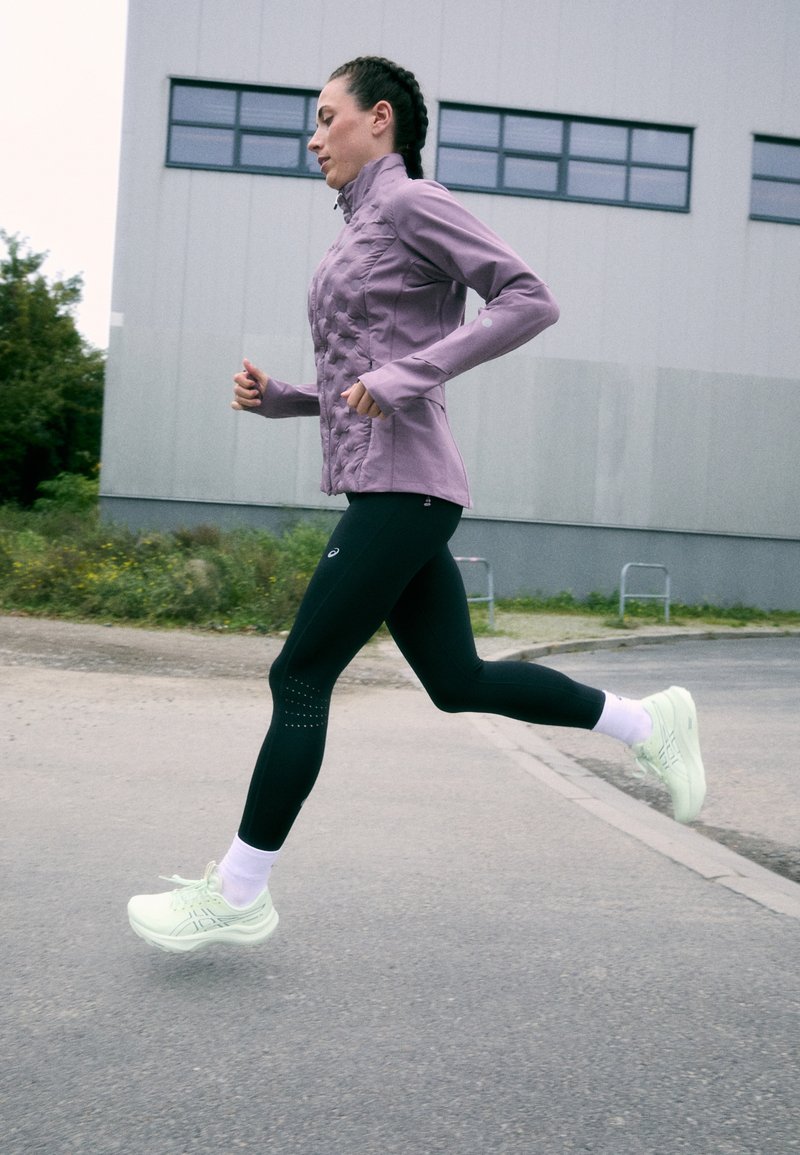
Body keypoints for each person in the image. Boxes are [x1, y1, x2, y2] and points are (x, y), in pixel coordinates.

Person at [127, 57, 706, 953]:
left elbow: (529, 299)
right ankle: (645, 722)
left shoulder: (409, 203)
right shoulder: (360, 225)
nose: (313, 137)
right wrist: (288, 396)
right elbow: (366, 374)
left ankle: (240, 891)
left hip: (407, 489)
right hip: (398, 487)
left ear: (381, 120)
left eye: (327, 117)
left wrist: (410, 371)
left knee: (299, 675)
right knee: (458, 682)